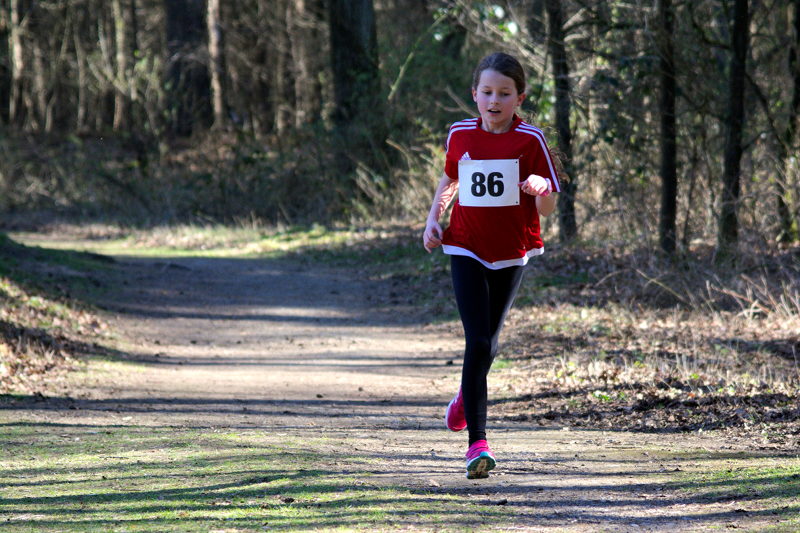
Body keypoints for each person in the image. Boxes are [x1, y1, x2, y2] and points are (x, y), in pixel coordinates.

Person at [422, 52, 560, 479]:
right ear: (475, 95)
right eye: (487, 92)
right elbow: (451, 180)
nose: (494, 100)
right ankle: (477, 445)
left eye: (504, 93)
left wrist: (540, 189)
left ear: (519, 98)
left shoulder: (530, 140)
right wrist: (434, 218)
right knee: (477, 341)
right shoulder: (460, 134)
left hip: (512, 250)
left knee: (490, 342)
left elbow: (549, 205)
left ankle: (466, 395)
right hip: (464, 245)